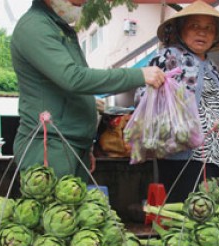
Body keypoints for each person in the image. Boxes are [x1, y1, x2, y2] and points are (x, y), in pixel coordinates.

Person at [10, 0, 165, 181]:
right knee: (51, 208)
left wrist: (86, 144)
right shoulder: (35, 26)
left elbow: (71, 88)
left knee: (79, 207)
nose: (82, 2)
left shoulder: (59, 27)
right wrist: (138, 75)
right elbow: (73, 78)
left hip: (72, 145)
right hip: (49, 145)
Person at [141, 0, 219, 202]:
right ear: (180, 29)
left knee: (216, 217)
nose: (202, 33)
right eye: (194, 26)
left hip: (218, 156)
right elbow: (144, 96)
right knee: (188, 218)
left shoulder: (214, 69)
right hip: (183, 156)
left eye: (209, 28)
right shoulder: (167, 57)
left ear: (216, 36)